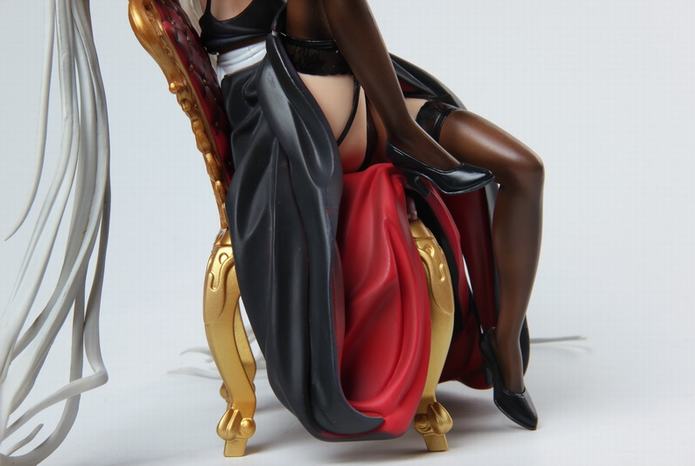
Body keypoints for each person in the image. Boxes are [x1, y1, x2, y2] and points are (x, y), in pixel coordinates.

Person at [198, 0, 544, 433]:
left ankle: (504, 344)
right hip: (288, 106)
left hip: (355, 88)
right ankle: (405, 136)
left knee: (525, 170)